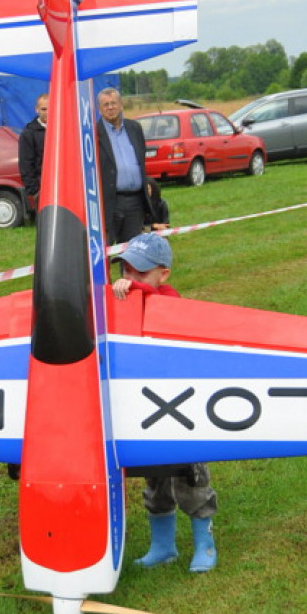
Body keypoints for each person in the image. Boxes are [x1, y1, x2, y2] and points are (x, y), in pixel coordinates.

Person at [112, 232, 218, 572]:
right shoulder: (124, 302)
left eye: (140, 273)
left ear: (163, 274)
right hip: (146, 405)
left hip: (182, 406)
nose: (130, 278)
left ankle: (205, 545)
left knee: (190, 477)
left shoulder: (168, 298)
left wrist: (136, 289)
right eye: (126, 271)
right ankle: (163, 547)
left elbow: (165, 307)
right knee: (154, 476)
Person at [96, 87, 155, 245]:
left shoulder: (134, 128)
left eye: (113, 103)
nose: (110, 107)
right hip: (109, 202)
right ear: (99, 109)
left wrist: (146, 181)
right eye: (106, 104)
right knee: (105, 249)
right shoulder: (93, 133)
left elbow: (141, 161)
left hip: (135, 202)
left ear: (121, 105)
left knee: (131, 250)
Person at [18, 93, 48, 209]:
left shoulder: (63, 128)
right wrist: (35, 191)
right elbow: (26, 165)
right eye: (44, 109)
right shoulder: (28, 133)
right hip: (42, 189)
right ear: (37, 109)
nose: (47, 112)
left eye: (50, 108)